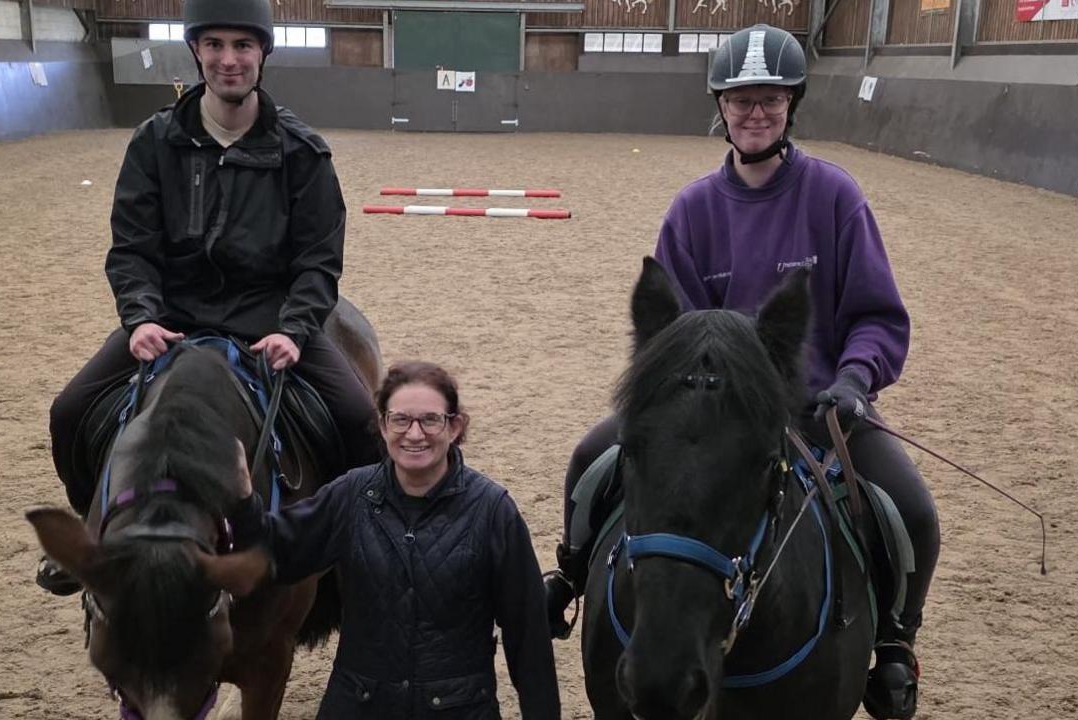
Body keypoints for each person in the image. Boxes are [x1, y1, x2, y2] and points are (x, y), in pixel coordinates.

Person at [541, 24, 938, 720]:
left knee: (912, 511)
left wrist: (854, 378)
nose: (755, 114)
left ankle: (895, 646)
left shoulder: (835, 198)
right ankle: (570, 575)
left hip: (822, 408)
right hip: (715, 411)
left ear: (792, 106)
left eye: (770, 101)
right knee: (590, 460)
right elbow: (673, 332)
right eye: (740, 101)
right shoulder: (694, 209)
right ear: (720, 107)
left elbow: (878, 314)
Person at [37, 0, 379, 594]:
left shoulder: (303, 153)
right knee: (68, 413)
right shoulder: (153, 143)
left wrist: (294, 330)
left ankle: (364, 546)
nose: (228, 59)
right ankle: (96, 543)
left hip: (270, 318)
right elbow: (133, 248)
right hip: (174, 317)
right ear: (196, 50)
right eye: (215, 45)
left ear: (263, 53)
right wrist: (140, 318)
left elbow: (319, 262)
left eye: (242, 46)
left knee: (357, 420)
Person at [225, 361, 561, 719]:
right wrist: (245, 503)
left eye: (430, 420)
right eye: (400, 420)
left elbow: (528, 638)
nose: (414, 434)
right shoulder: (349, 494)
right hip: (358, 707)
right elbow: (279, 551)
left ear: (455, 426)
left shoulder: (494, 512)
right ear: (383, 426)